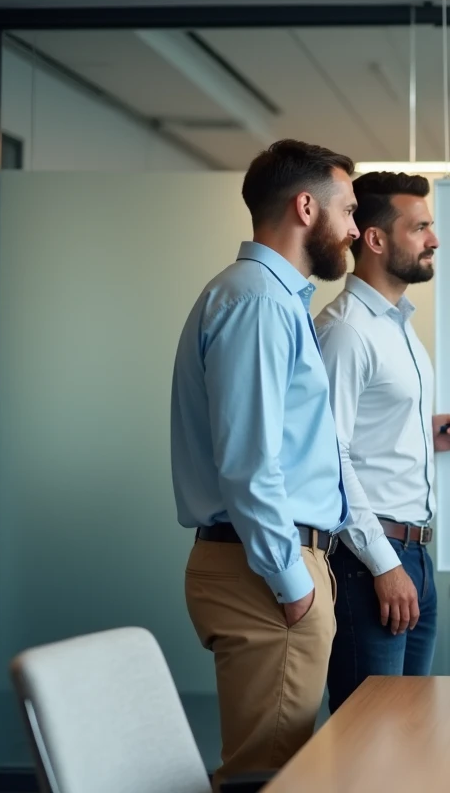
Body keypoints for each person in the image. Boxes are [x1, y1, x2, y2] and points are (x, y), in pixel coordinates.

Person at [172, 139, 386, 787]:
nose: (354, 229)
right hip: (267, 572)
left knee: (271, 768)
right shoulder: (260, 303)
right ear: (304, 207)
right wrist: (294, 586)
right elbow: (250, 464)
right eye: (348, 211)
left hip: (266, 564)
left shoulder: (267, 298)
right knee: (270, 776)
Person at [315, 171, 450, 713]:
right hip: (370, 559)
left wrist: (425, 437)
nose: (434, 239)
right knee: (371, 739)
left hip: (414, 557)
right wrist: (383, 564)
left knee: (408, 734)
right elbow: (328, 459)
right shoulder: (346, 331)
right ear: (376, 239)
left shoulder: (397, 325)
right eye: (421, 226)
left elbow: (363, 435)